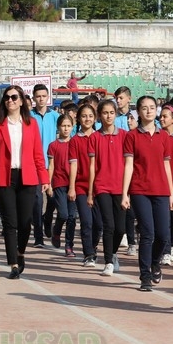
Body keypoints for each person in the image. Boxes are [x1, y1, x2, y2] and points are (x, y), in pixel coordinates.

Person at [0, 85, 50, 279]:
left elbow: (38, 154)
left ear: (22, 100)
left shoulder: (31, 124)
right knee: (10, 223)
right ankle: (13, 263)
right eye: (7, 98)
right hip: (5, 179)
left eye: (14, 97)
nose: (10, 101)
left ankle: (21, 252)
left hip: (28, 178)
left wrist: (44, 178)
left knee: (25, 222)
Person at [121, 96, 173, 291]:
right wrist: (125, 193)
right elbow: (128, 165)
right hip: (139, 190)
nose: (148, 111)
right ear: (138, 111)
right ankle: (144, 275)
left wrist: (171, 193)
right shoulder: (132, 136)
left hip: (161, 190)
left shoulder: (164, 136)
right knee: (147, 233)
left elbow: (167, 165)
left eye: (152, 108)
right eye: (144, 108)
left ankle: (155, 262)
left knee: (162, 235)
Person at [89, 100, 127, 276]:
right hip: (102, 186)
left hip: (121, 187)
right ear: (99, 115)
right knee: (109, 225)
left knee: (120, 228)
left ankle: (113, 252)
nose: (108, 116)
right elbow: (92, 166)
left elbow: (130, 163)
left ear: (116, 114)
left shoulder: (125, 136)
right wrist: (90, 192)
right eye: (105, 113)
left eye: (112, 112)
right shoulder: (95, 138)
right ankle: (108, 261)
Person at [68, 103, 102, 268]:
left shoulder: (100, 137)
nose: (87, 119)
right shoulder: (75, 141)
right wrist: (72, 186)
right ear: (78, 119)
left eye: (90, 116)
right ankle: (88, 253)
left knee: (99, 224)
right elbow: (73, 165)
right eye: (83, 116)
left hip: (100, 186)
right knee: (86, 221)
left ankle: (93, 246)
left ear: (95, 118)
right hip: (81, 186)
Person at [31, 84, 60, 247]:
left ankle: (47, 219)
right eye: (38, 96)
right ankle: (38, 237)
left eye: (44, 96)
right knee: (37, 201)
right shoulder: (28, 117)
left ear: (48, 97)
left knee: (53, 199)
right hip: (35, 165)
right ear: (34, 98)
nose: (41, 99)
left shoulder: (55, 116)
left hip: (53, 164)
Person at [46, 115, 77, 257]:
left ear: (72, 126)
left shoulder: (75, 143)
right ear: (58, 127)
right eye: (63, 126)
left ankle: (69, 245)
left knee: (72, 217)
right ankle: (56, 230)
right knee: (63, 214)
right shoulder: (53, 145)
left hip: (74, 184)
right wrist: (49, 184)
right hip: (59, 183)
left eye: (68, 126)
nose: (66, 129)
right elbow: (51, 166)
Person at [157, 103, 173, 266]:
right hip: (160, 185)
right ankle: (165, 251)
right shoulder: (157, 136)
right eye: (161, 116)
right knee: (164, 221)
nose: (162, 119)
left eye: (165, 116)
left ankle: (172, 245)